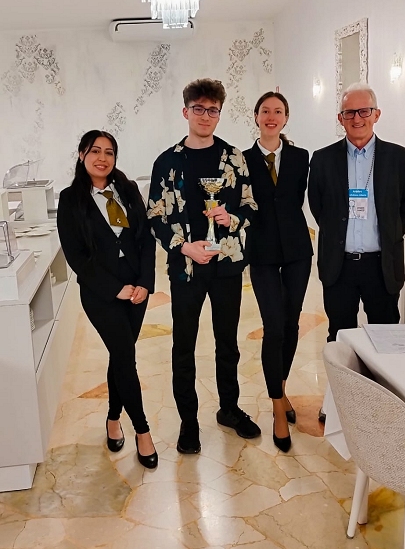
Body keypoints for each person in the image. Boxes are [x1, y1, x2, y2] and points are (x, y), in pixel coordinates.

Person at [148, 78, 261, 455]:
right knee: (184, 346)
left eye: (213, 110)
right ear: (186, 111)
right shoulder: (167, 162)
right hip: (187, 268)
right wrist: (184, 247)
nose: (206, 116)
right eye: (199, 109)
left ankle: (229, 409)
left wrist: (233, 218)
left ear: (219, 114)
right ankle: (189, 422)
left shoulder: (234, 158)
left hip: (226, 265)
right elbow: (156, 216)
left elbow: (250, 205)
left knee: (227, 343)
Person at [57, 131, 158, 469]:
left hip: (137, 290)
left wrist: (145, 283)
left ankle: (113, 417)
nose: (102, 158)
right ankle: (142, 431)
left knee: (121, 355)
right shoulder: (71, 199)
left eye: (109, 152)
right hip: (101, 293)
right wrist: (114, 288)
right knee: (126, 357)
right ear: (82, 154)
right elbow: (76, 255)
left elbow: (145, 239)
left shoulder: (127, 189)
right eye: (95, 151)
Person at [309, 81, 405, 339]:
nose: (357, 119)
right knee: (340, 337)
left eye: (364, 111)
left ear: (376, 115)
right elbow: (318, 207)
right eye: (349, 113)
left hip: (381, 267)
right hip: (339, 266)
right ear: (340, 119)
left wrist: (389, 235)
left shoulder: (400, 158)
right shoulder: (322, 159)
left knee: (386, 338)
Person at [244, 92, 312, 452]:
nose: (271, 116)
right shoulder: (241, 160)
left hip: (298, 250)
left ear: (286, 118)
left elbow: (303, 199)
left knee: (291, 324)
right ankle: (276, 407)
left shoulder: (301, 158)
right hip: (262, 253)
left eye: (278, 111)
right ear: (256, 116)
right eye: (265, 111)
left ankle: (281, 389)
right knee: (273, 327)